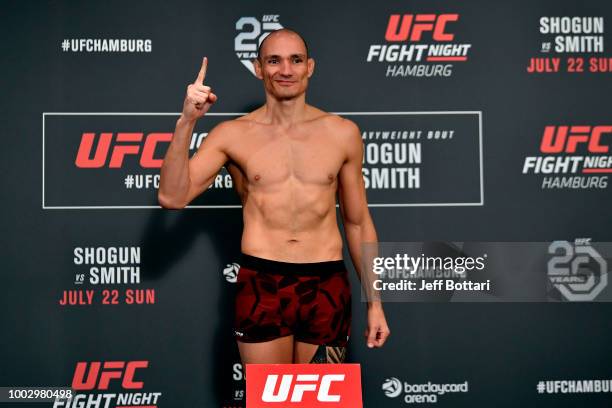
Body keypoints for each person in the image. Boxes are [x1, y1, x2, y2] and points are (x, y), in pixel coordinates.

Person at [158, 28, 390, 364]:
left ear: (309, 66)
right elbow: (172, 196)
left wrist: (375, 303)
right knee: (269, 402)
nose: (286, 70)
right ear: (257, 68)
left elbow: (358, 223)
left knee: (323, 403)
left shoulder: (342, 133)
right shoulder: (232, 134)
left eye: (295, 60)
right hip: (262, 283)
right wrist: (186, 122)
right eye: (274, 61)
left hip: (327, 283)